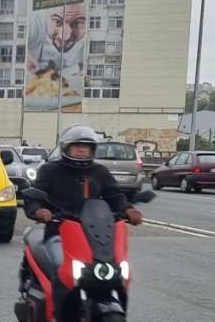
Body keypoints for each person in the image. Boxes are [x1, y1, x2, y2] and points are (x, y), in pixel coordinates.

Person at [23, 125, 143, 305]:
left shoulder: (99, 172)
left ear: (92, 149)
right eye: (76, 145)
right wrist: (39, 211)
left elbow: (114, 195)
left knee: (117, 268)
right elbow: (35, 196)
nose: (81, 149)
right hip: (58, 233)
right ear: (66, 148)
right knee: (60, 267)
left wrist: (128, 209)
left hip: (94, 235)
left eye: (86, 146)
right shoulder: (50, 170)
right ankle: (57, 317)